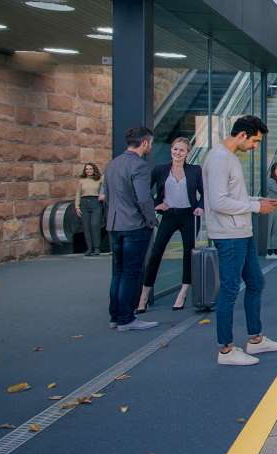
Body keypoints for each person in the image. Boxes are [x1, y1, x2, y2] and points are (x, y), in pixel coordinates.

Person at [203, 115, 277, 366]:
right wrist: (255, 207)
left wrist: (256, 200)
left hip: (241, 233)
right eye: (255, 141)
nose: (255, 146)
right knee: (229, 289)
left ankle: (256, 340)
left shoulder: (229, 158)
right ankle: (226, 350)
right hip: (229, 235)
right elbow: (219, 202)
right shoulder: (219, 160)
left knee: (256, 283)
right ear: (241, 136)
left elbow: (232, 196)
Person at [136, 137, 204, 313]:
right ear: (171, 150)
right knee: (156, 253)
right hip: (168, 216)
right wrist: (155, 205)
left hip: (189, 216)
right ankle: (144, 295)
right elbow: (143, 192)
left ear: (187, 153)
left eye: (181, 150)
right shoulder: (160, 170)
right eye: (175, 149)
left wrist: (200, 207)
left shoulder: (195, 170)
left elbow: (204, 193)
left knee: (188, 254)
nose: (177, 153)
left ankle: (182, 292)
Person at [102, 127, 159, 331]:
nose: (150, 146)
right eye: (150, 143)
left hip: (114, 224)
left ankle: (115, 316)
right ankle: (127, 318)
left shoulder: (112, 164)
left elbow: (108, 196)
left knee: (118, 272)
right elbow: (143, 198)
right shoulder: (140, 166)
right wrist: (151, 220)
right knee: (131, 273)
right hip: (135, 225)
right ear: (144, 143)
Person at [75, 161, 104, 255]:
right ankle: (89, 248)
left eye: (90, 168)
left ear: (94, 169)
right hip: (84, 203)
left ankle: (97, 248)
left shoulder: (100, 179)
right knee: (86, 227)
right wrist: (77, 207)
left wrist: (103, 196)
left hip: (96, 202)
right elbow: (78, 194)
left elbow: (105, 189)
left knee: (95, 225)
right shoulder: (81, 180)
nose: (88, 170)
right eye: (87, 169)